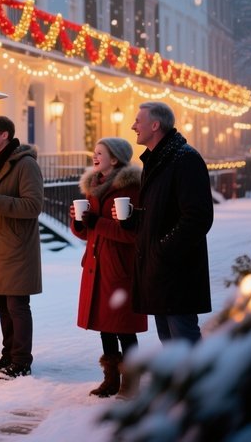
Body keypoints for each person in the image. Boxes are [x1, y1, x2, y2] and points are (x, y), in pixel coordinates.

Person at [115, 101, 214, 344]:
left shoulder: (184, 159)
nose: (133, 126)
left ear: (155, 125)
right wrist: (133, 217)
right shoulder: (157, 160)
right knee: (170, 344)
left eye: (138, 121)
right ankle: (178, 382)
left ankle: (197, 383)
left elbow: (198, 217)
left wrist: (162, 250)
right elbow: (161, 213)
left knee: (184, 342)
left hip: (176, 272)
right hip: (160, 273)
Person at [69, 137, 146, 399]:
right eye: (94, 152)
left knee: (124, 327)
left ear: (115, 159)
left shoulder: (131, 189)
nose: (94, 156)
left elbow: (132, 234)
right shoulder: (94, 186)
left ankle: (131, 381)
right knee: (105, 326)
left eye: (100, 152)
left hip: (119, 269)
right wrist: (78, 222)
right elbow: (88, 233)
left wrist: (96, 222)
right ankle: (111, 379)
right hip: (95, 266)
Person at [0, 116, 44, 379]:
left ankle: (21, 361)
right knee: (2, 305)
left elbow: (33, 205)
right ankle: (9, 355)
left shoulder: (26, 164)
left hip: (16, 247)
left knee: (17, 305)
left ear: (5, 134)